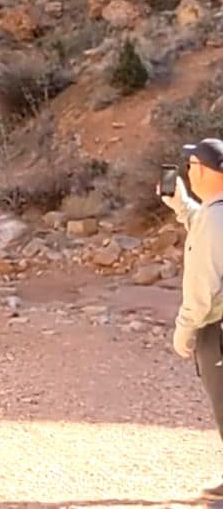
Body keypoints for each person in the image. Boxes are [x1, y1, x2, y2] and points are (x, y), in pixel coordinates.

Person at [161, 138, 223, 500]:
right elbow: (206, 226)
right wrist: (182, 205)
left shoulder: (214, 219)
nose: (187, 171)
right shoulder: (214, 214)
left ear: (204, 171)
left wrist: (183, 332)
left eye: (192, 165)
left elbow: (202, 290)